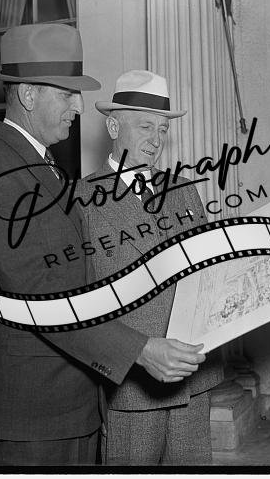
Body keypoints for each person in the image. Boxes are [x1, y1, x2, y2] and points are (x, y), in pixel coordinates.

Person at [0, 26, 207, 465]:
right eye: (67, 94)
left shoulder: (38, 166)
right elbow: (44, 295)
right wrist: (140, 350)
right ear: (28, 94)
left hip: (70, 398)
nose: (78, 106)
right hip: (38, 407)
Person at [76, 70, 224, 465]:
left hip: (194, 375)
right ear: (113, 126)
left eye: (162, 129)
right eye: (145, 126)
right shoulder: (80, 199)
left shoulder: (184, 189)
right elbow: (81, 304)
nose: (156, 140)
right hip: (132, 385)